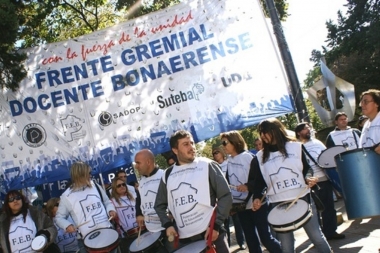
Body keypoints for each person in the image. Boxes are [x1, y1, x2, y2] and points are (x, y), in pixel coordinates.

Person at [247, 118, 332, 253]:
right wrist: (257, 197)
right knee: (286, 247)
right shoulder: (259, 157)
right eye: (260, 133)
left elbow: (307, 168)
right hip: (278, 205)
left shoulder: (295, 147)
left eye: (265, 132)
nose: (262, 136)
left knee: (317, 237)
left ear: (275, 130)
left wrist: (308, 178)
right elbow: (259, 182)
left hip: (302, 198)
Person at [154, 130, 232, 253]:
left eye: (192, 143)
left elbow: (226, 195)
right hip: (185, 242)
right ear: (175, 150)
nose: (191, 147)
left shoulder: (207, 165)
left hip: (212, 235)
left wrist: (216, 226)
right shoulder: (167, 175)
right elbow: (159, 205)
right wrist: (168, 225)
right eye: (185, 144)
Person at [221, 131, 281, 253]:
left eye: (225, 142)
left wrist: (248, 186)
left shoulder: (248, 157)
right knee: (251, 240)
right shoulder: (229, 161)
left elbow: (261, 178)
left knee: (265, 238)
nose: (223, 146)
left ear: (235, 142)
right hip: (241, 206)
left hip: (256, 203)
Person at [295, 122, 345, 240]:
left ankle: (330, 231)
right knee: (315, 210)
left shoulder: (317, 142)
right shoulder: (297, 146)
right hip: (310, 182)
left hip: (324, 178)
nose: (309, 130)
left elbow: (327, 156)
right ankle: (319, 236)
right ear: (299, 132)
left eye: (309, 128)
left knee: (329, 206)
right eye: (305, 129)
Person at [55, 161, 118, 253]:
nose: (90, 176)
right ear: (79, 175)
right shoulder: (66, 196)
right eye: (88, 173)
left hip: (107, 233)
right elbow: (59, 218)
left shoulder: (95, 186)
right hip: (87, 240)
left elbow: (107, 202)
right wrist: (67, 225)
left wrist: (111, 210)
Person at [134, 149, 174, 252]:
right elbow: (139, 199)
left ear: (148, 162)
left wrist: (172, 214)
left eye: (138, 163)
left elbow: (174, 196)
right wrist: (138, 214)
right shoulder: (141, 181)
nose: (136, 166)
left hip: (167, 228)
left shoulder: (164, 175)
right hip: (150, 231)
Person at [212, 146, 246, 250]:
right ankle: (228, 246)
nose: (215, 154)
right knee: (224, 225)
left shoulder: (229, 162)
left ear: (222, 152)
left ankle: (241, 242)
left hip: (234, 197)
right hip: (222, 200)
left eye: (217, 152)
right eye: (213, 153)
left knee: (237, 222)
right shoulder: (213, 166)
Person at [110, 176, 139, 251]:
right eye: (118, 186)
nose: (122, 186)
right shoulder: (112, 202)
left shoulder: (133, 197)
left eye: (123, 184)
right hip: (127, 235)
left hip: (140, 230)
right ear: (114, 189)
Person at [359, 89, 380, 154]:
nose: (362, 105)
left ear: (377, 104)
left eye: (366, 102)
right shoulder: (366, 124)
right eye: (361, 102)